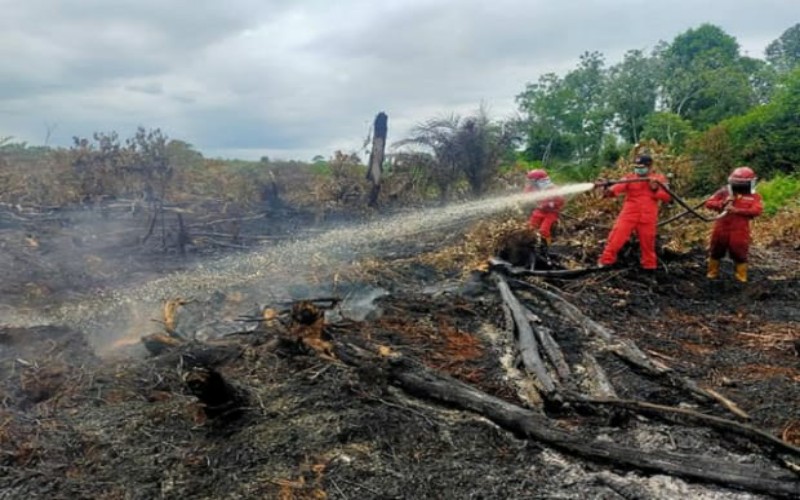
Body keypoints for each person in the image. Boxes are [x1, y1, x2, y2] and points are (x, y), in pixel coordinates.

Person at [595, 154, 671, 270]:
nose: (638, 169)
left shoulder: (659, 179)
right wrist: (606, 190)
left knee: (648, 244)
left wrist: (655, 188)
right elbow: (615, 189)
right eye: (636, 167)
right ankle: (606, 262)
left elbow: (667, 197)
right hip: (629, 214)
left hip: (648, 217)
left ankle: (649, 267)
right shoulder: (629, 178)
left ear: (649, 166)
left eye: (641, 167)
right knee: (616, 238)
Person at [704, 166, 763, 283]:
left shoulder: (754, 196)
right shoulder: (723, 192)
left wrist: (737, 210)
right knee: (716, 250)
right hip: (721, 227)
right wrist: (722, 203)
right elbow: (709, 203)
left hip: (740, 229)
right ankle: (711, 275)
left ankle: (741, 278)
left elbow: (757, 210)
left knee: (739, 252)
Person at [524, 169, 564, 246]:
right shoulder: (533, 188)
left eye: (532, 181)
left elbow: (561, 201)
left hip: (551, 213)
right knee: (530, 229)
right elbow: (526, 194)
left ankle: (549, 248)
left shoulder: (553, 189)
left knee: (544, 231)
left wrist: (551, 204)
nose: (531, 183)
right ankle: (533, 245)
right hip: (539, 211)